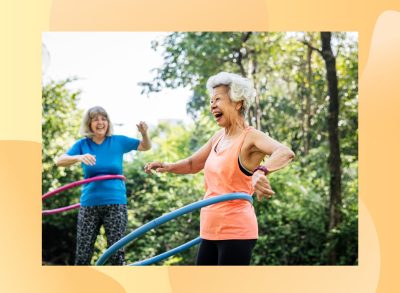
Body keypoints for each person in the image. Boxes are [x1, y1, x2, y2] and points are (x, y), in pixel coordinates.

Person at [145, 72, 295, 265]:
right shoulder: (218, 137)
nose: (212, 105)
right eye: (210, 101)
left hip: (236, 231)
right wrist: (168, 166)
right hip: (209, 229)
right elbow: (193, 164)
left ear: (237, 102)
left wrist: (261, 171)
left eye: (218, 99)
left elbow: (285, 152)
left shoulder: (250, 137)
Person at [56, 106, 151, 265]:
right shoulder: (83, 144)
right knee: (83, 253)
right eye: (95, 119)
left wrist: (144, 133)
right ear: (89, 123)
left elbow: (145, 146)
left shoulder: (118, 141)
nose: (100, 122)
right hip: (89, 204)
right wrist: (79, 157)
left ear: (108, 122)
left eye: (103, 118)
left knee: (116, 253)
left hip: (115, 204)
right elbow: (59, 161)